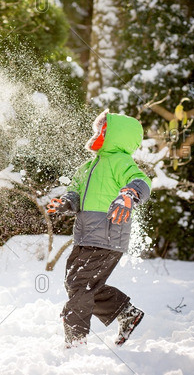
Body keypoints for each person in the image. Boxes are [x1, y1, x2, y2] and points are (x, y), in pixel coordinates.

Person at [47, 110, 151, 348]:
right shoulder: (87, 167)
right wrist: (67, 201)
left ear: (113, 136)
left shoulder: (121, 162)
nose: (95, 135)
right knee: (75, 283)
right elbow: (75, 190)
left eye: (100, 130)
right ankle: (125, 312)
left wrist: (129, 194)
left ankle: (75, 339)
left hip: (107, 237)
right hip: (85, 237)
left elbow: (141, 181)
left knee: (81, 284)